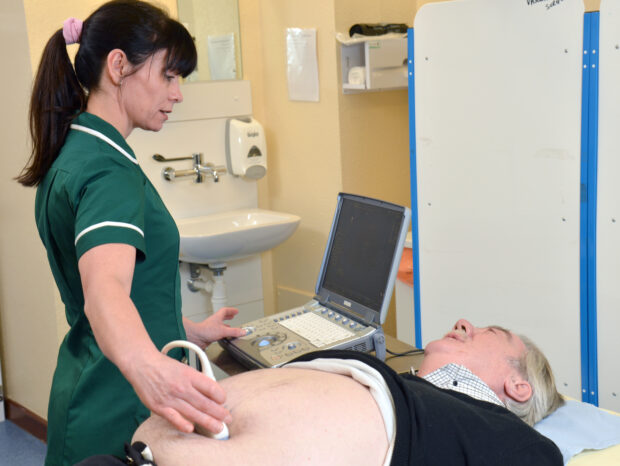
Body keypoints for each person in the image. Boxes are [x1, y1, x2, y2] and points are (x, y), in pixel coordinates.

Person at [16, 1, 245, 464]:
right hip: (118, 406)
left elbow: (114, 291)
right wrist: (150, 368)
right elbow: (105, 289)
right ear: (119, 66)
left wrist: (183, 330)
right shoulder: (108, 172)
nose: (177, 94)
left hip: (89, 387)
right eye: (168, 76)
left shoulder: (76, 151)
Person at [129, 318, 565, 466]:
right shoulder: (406, 386)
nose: (465, 322)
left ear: (518, 386)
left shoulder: (519, 443)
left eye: (490, 332)